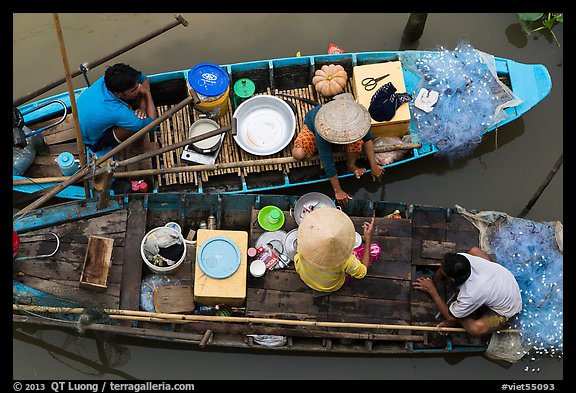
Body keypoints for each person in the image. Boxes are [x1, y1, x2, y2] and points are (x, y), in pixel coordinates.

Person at [292, 95, 384, 207]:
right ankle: (325, 144)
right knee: (298, 153)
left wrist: (374, 166)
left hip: (341, 134)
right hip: (315, 130)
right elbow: (328, 162)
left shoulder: (358, 118)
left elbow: (367, 139)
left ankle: (351, 165)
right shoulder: (323, 126)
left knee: (357, 141)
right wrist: (338, 191)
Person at [413, 246, 522, 337]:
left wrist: (432, 290)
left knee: (475, 328)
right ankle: (461, 311)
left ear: (452, 279)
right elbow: (443, 268)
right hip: (503, 281)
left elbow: (449, 316)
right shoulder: (462, 259)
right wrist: (435, 280)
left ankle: (459, 317)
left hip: (507, 308)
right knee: (474, 251)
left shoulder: (471, 293)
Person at [77, 63, 159, 154]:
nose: (139, 89)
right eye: (133, 90)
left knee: (136, 104)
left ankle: (133, 110)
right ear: (118, 94)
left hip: (86, 115)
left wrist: (142, 108)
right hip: (93, 140)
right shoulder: (116, 111)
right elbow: (152, 126)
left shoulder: (110, 80)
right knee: (139, 125)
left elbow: (144, 78)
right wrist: (147, 93)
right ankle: (138, 148)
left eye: (137, 86)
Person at [294, 207, 375, 294]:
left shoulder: (304, 242)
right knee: (375, 249)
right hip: (328, 286)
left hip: (306, 277)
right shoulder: (347, 261)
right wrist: (368, 239)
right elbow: (363, 272)